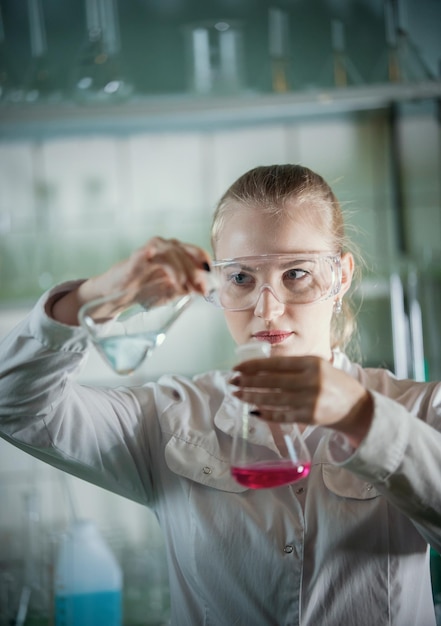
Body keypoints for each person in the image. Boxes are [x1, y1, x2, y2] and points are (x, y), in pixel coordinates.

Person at [0, 163, 440, 626]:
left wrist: (360, 417)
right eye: (241, 279)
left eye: (295, 273)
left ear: (341, 275)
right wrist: (99, 295)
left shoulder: (420, 410)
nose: (267, 309)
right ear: (215, 284)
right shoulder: (169, 420)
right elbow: (15, 405)